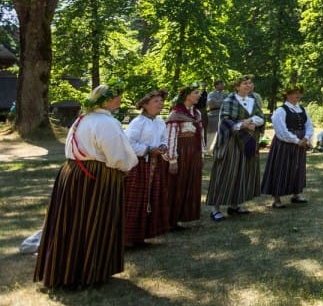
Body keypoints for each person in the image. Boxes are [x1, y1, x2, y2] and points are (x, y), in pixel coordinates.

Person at [35, 81, 138, 290]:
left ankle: (65, 271)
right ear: (108, 100)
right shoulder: (106, 123)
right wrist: (124, 168)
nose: (120, 99)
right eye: (117, 96)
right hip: (98, 176)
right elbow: (117, 154)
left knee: (71, 222)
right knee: (96, 219)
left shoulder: (81, 120)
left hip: (71, 174)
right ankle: (89, 272)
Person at [206, 75, 265, 221]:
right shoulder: (229, 100)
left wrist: (250, 121)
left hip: (249, 140)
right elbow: (225, 120)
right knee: (226, 172)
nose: (248, 85)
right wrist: (242, 125)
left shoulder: (253, 100)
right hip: (231, 142)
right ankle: (215, 209)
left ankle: (234, 205)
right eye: (245, 83)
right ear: (237, 87)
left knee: (242, 172)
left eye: (250, 83)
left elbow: (261, 117)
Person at [124, 89, 171, 246]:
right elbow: (129, 143)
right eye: (156, 101)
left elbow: (164, 138)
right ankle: (128, 237)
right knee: (137, 199)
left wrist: (163, 146)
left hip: (155, 164)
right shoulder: (137, 123)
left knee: (152, 197)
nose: (160, 104)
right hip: (139, 167)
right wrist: (149, 149)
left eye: (161, 101)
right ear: (145, 105)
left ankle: (143, 235)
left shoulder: (159, 122)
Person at [261, 84, 313, 207]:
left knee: (297, 168)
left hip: (300, 144)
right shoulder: (281, 111)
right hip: (284, 145)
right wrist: (296, 140)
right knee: (281, 169)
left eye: (299, 93)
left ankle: (296, 195)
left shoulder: (302, 109)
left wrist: (306, 138)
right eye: (295, 93)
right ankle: (277, 200)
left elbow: (309, 125)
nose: (298, 96)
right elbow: (281, 131)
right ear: (287, 95)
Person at [164, 84, 206, 230]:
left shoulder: (197, 113)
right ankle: (171, 220)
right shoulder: (176, 113)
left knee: (189, 182)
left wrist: (201, 154)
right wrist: (172, 159)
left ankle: (183, 216)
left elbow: (200, 134)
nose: (198, 95)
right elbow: (171, 136)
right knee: (177, 184)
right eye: (196, 93)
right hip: (181, 150)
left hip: (193, 151)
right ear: (187, 95)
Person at [205, 80, 226, 153]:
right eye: (221, 84)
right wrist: (222, 101)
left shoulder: (225, 94)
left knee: (223, 131)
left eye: (223, 84)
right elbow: (211, 102)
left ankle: (221, 148)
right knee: (212, 132)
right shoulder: (211, 94)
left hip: (223, 114)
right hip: (213, 114)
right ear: (216, 85)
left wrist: (219, 102)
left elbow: (227, 103)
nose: (223, 86)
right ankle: (210, 149)